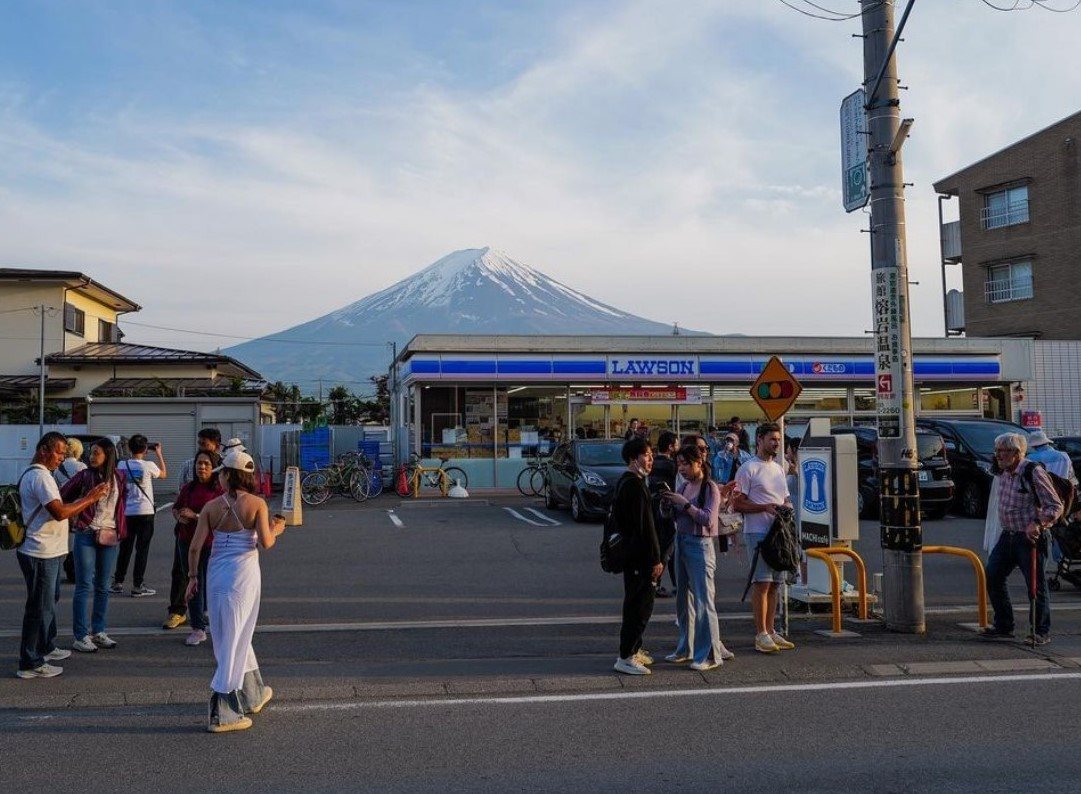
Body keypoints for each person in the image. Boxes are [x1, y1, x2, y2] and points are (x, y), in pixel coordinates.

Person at [187, 450, 285, 733]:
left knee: (232, 632)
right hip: (243, 577)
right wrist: (277, 528)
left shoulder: (210, 507)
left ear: (228, 475)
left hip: (216, 575)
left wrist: (193, 577)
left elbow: (195, 547)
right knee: (233, 636)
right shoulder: (257, 504)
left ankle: (253, 692)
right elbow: (265, 542)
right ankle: (224, 712)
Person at [15, 433, 110, 679]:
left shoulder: (35, 474)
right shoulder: (39, 476)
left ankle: (46, 646)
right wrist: (90, 498)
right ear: (44, 450)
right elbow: (59, 512)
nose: (61, 458)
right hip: (40, 551)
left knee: (49, 601)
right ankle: (30, 662)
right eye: (58, 453)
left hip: (49, 550)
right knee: (39, 607)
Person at [661, 445, 739, 671]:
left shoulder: (710, 488)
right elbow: (673, 517)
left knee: (704, 601)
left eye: (686, 463)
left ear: (698, 462)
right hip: (682, 541)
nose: (682, 469)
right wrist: (667, 505)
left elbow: (708, 520)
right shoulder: (684, 486)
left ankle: (711, 655)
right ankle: (686, 648)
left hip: (700, 545)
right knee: (683, 601)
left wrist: (684, 504)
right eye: (679, 464)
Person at [981, 432, 1063, 645]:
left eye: (1004, 451)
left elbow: (1055, 505)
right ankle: (1004, 625)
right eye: (997, 451)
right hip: (1008, 534)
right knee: (992, 575)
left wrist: (1038, 523)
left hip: (1030, 538)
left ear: (1018, 453)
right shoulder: (1003, 472)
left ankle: (1040, 631)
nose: (999, 455)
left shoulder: (1032, 471)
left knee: (1035, 585)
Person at [60, 438, 128, 653]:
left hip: (110, 535)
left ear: (108, 455)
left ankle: (98, 631)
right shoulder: (85, 475)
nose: (91, 456)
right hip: (87, 533)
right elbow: (63, 496)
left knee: (102, 586)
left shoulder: (120, 477)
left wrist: (121, 527)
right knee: (84, 585)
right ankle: (80, 635)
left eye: (97, 452)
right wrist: (80, 508)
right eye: (91, 452)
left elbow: (121, 505)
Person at [734, 422, 795, 654]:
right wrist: (765, 507)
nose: (777, 443)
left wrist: (786, 507)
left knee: (776, 583)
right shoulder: (748, 469)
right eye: (772, 439)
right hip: (757, 532)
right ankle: (760, 633)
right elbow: (737, 503)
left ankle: (770, 630)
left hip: (779, 532)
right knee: (762, 582)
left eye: (778, 440)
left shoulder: (779, 468)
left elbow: (785, 497)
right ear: (759, 440)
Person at [612, 436, 663, 676]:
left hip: (632, 555)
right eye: (646, 455)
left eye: (652, 454)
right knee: (639, 606)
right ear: (633, 459)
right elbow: (645, 527)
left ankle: (634, 648)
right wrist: (655, 559)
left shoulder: (630, 480)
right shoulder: (634, 484)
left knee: (637, 603)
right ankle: (626, 656)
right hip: (639, 557)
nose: (651, 459)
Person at [166, 427, 222, 630]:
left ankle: (206, 614)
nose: (202, 467)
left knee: (207, 576)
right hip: (185, 535)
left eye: (205, 444)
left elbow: (224, 512)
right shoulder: (189, 474)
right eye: (199, 444)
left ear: (216, 446)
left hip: (209, 539)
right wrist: (179, 515)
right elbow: (178, 500)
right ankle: (178, 611)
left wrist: (197, 516)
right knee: (182, 573)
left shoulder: (222, 477)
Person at [112, 434, 168, 597]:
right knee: (142, 549)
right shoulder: (149, 465)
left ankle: (118, 582)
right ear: (145, 449)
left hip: (127, 512)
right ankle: (138, 585)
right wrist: (158, 453)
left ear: (129, 448)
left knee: (125, 548)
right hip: (145, 512)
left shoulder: (122, 464)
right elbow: (164, 474)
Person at [53, 437, 87, 584]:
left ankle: (61, 569)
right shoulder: (82, 467)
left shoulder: (57, 469)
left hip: (63, 506)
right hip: (79, 506)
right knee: (79, 541)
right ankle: (76, 570)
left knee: (63, 542)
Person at [648, 431, 679, 598]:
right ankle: (668, 584)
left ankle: (658, 583)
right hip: (667, 509)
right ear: (670, 446)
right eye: (677, 444)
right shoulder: (671, 465)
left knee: (661, 546)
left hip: (652, 508)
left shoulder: (651, 462)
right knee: (668, 548)